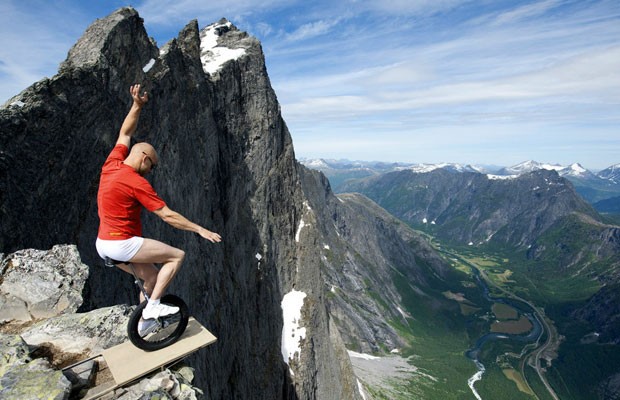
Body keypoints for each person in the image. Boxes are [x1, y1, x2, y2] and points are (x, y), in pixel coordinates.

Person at [96, 84, 221, 336]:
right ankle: (152, 307)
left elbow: (124, 133)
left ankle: (143, 325)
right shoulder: (136, 182)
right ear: (144, 159)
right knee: (176, 256)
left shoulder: (112, 164)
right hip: (122, 243)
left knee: (151, 278)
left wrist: (136, 106)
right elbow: (167, 215)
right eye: (152, 166)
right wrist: (200, 229)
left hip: (102, 244)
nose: (151, 171)